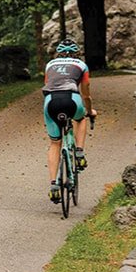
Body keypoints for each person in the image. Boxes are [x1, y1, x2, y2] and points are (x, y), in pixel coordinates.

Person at [43, 37, 96, 203]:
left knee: (55, 143)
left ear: (58, 53)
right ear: (77, 53)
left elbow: (48, 86)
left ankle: (54, 186)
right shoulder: (81, 65)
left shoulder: (50, 65)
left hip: (50, 101)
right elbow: (86, 94)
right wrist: (90, 111)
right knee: (81, 119)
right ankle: (79, 152)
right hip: (72, 99)